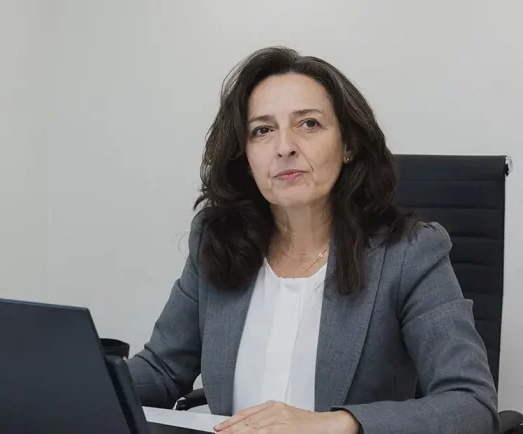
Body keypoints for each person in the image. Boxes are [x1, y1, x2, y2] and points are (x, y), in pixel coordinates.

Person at [125, 47, 498, 434]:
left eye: (309, 124)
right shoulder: (218, 240)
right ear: (245, 158)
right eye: (262, 130)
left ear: (348, 144)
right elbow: (162, 371)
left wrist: (337, 424)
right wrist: (88, 379)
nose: (284, 147)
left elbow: (472, 404)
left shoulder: (409, 253)